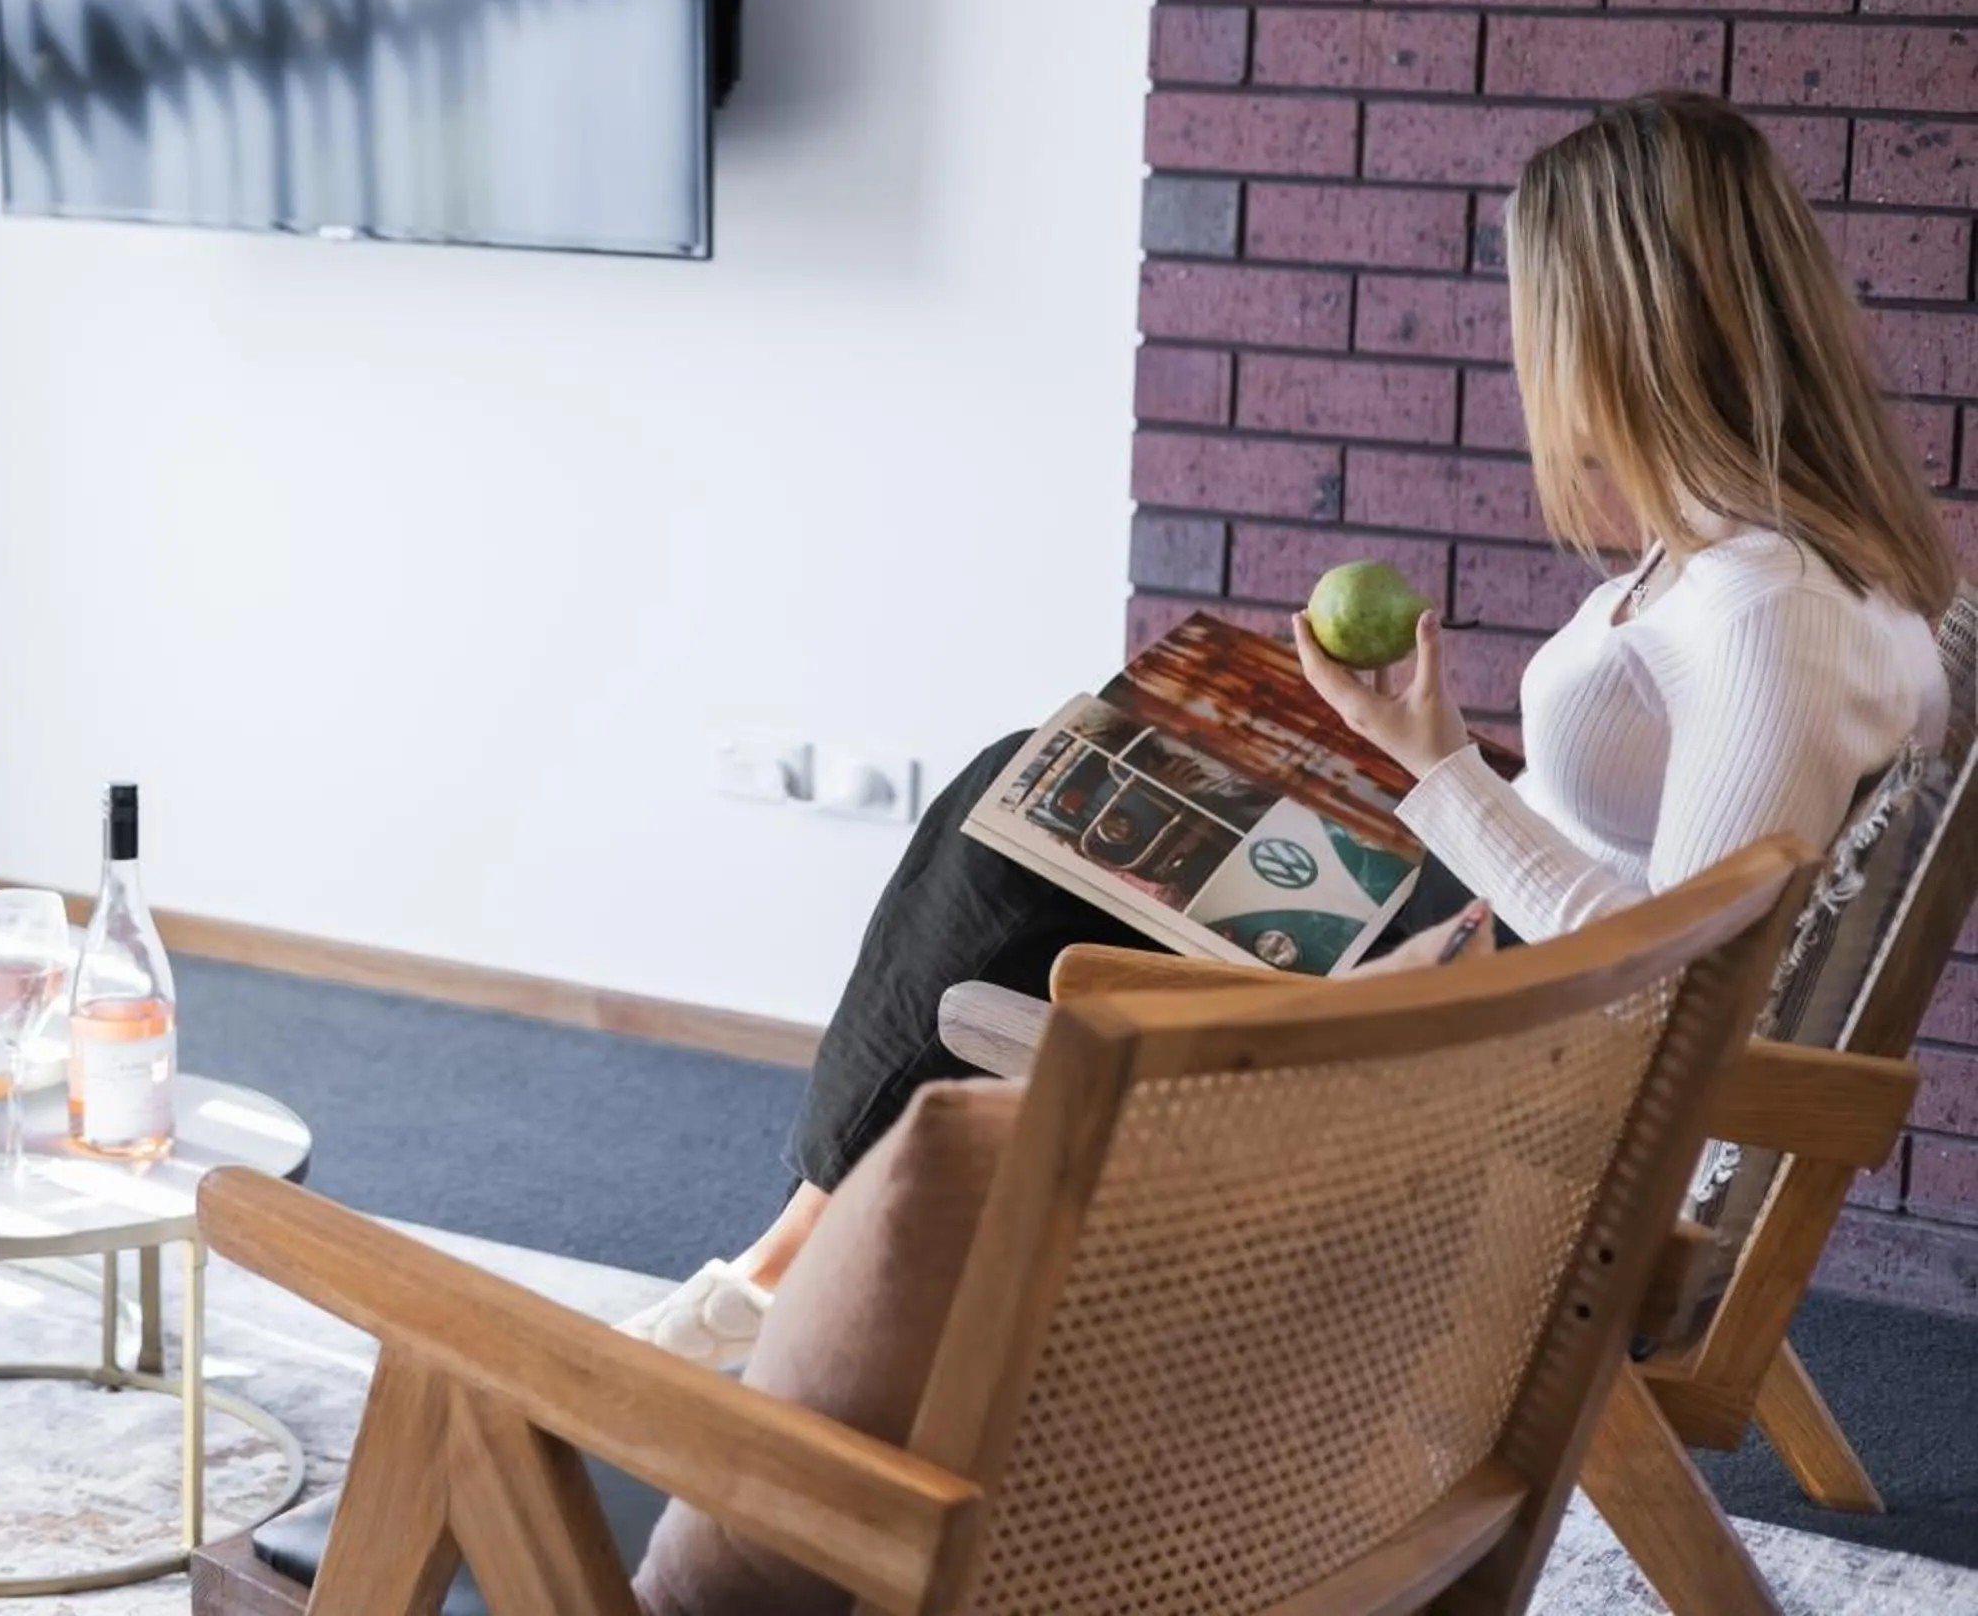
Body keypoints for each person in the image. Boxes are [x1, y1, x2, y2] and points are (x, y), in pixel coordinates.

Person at [625, 91, 1958, 1366]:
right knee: (1070, 772)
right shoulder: (1788, 568)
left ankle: (782, 1274)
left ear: (1620, 336)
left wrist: (1442, 769)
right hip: (1479, 945)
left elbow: (1672, 978)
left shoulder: (1763, 611)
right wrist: (1415, 751)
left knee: (1017, 846)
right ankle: (788, 1262)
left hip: (1488, 1036)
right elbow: (1668, 852)